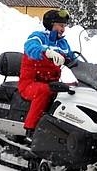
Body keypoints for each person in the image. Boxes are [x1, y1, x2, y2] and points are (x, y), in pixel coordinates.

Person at [18, 9, 76, 141]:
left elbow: (73, 58)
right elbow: (30, 48)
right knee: (44, 91)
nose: (63, 29)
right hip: (29, 83)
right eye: (60, 25)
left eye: (64, 26)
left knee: (71, 92)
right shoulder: (38, 36)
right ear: (51, 24)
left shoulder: (62, 43)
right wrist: (46, 52)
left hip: (52, 83)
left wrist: (93, 69)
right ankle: (31, 130)